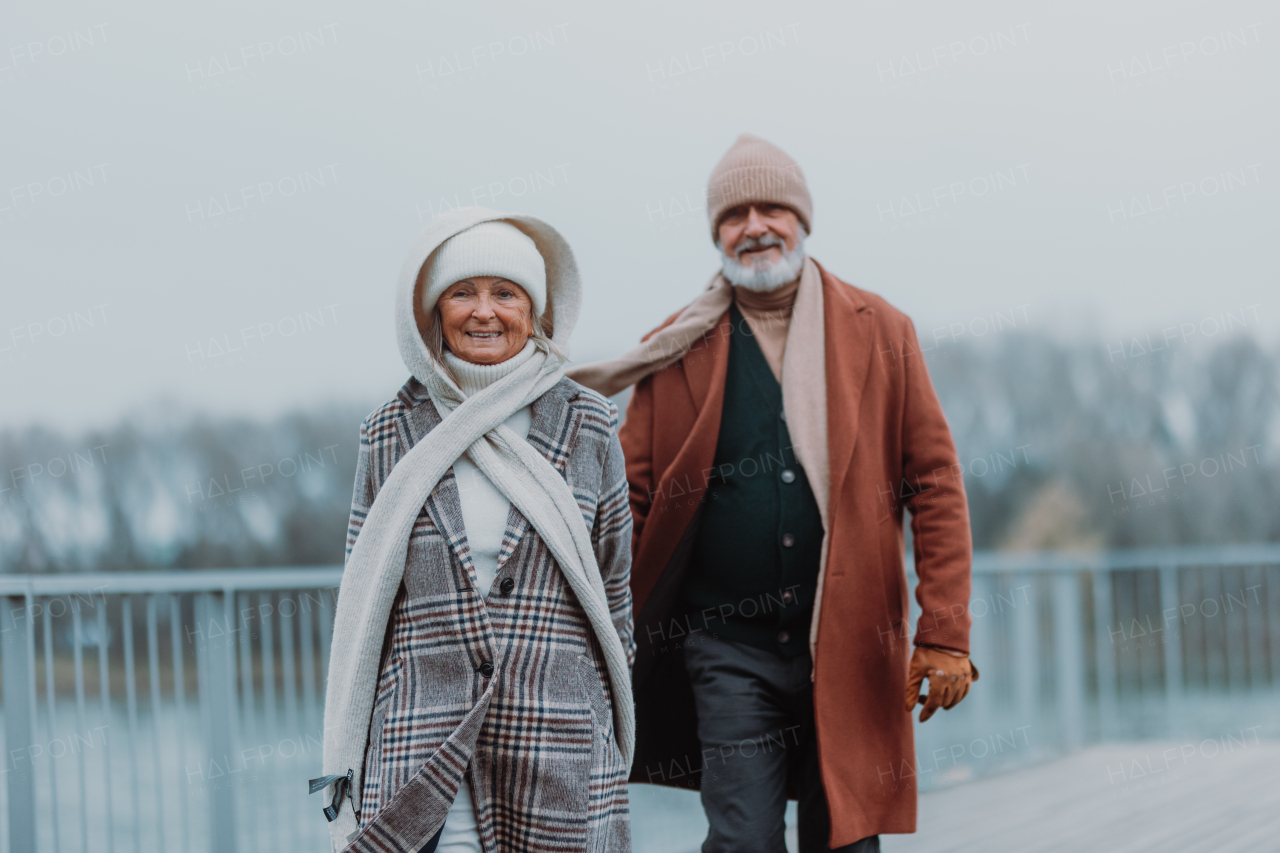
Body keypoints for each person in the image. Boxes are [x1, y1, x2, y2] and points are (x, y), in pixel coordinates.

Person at [568, 135, 978, 852]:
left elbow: (936, 484)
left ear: (802, 220)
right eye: (734, 214)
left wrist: (944, 631)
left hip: (852, 642)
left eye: (772, 208)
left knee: (845, 839)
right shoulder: (673, 347)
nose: (754, 225)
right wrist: (588, 627)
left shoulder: (882, 331)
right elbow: (625, 499)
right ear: (717, 233)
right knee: (743, 841)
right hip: (724, 646)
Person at [317, 208, 635, 853]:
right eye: (462, 293)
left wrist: (598, 705)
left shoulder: (588, 422)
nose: (483, 312)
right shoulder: (391, 430)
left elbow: (614, 583)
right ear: (434, 312)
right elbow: (364, 594)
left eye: (505, 293)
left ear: (537, 313)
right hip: (423, 731)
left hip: (556, 728)